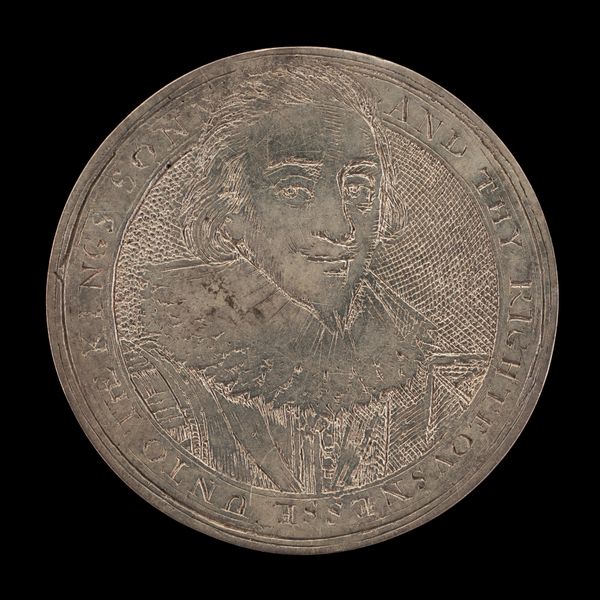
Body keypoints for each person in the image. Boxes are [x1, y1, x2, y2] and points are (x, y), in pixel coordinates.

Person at [119, 65, 485, 493]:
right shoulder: (159, 381)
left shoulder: (428, 383)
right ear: (228, 213)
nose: (341, 228)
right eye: (295, 189)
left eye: (359, 189)